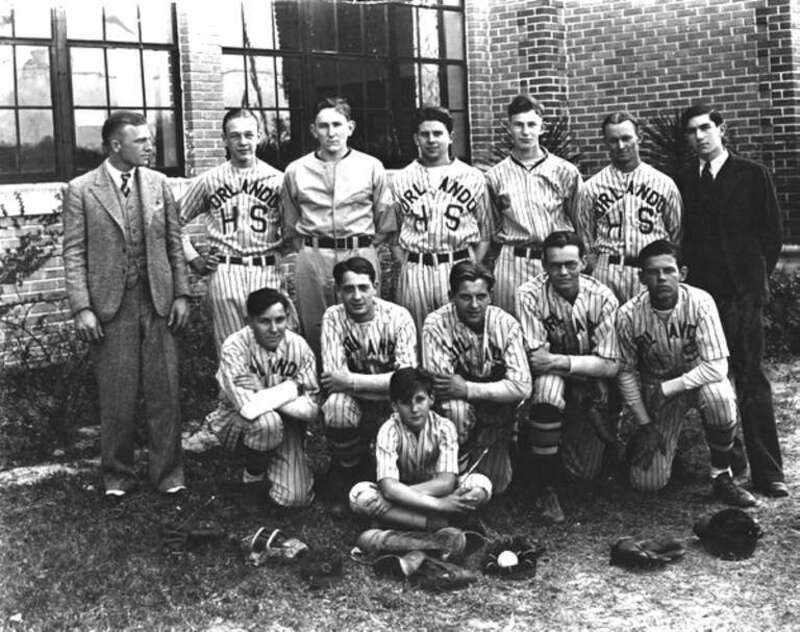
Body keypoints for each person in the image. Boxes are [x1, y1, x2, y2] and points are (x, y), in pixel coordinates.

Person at [62, 110, 189, 498]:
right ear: (116, 145)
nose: (150, 147)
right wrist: (82, 307)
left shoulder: (158, 183)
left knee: (165, 391)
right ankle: (117, 476)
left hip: (158, 301)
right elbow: (73, 253)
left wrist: (181, 294)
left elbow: (174, 242)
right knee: (117, 394)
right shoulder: (82, 189)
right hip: (110, 306)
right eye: (141, 141)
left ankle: (168, 474)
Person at [677, 104, 787, 498]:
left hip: (743, 295)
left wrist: (752, 281)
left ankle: (768, 471)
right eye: (692, 131)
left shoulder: (753, 174)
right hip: (704, 297)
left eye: (705, 128)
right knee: (714, 378)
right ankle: (730, 460)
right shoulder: (685, 179)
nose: (699, 137)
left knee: (751, 376)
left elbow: (772, 236)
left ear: (721, 129)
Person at [616, 240, 756, 506]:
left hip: (697, 380)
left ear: (682, 273)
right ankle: (660, 448)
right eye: (653, 272)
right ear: (641, 277)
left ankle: (721, 475)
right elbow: (626, 372)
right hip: (659, 391)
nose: (661, 278)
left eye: (668, 270)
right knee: (647, 483)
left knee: (719, 396)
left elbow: (717, 366)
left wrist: (670, 387)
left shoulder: (701, 302)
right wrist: (645, 424)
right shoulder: (627, 315)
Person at [515, 231, 620, 523]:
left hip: (587, 378)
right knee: (547, 392)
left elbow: (611, 364)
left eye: (570, 264)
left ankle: (546, 446)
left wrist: (563, 363)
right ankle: (545, 486)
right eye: (555, 265)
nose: (563, 272)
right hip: (557, 375)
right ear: (544, 265)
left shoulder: (603, 297)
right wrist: (578, 371)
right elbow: (536, 360)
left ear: (584, 262)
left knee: (583, 472)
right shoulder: (528, 294)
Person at [281, 97, 395, 358]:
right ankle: (321, 381)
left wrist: (362, 247)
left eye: (337, 124)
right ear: (314, 130)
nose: (331, 132)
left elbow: (385, 220)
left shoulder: (371, 166)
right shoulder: (296, 171)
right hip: (314, 257)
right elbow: (291, 223)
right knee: (316, 328)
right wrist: (311, 251)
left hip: (358, 252)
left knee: (364, 326)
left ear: (350, 128)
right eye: (323, 126)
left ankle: (365, 380)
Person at [179, 107, 295, 353]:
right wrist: (194, 258)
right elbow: (170, 222)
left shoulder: (278, 180)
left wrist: (278, 253)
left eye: (249, 135)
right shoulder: (210, 180)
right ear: (224, 139)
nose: (243, 142)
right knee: (231, 350)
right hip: (226, 271)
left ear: (259, 136)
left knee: (274, 349)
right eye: (235, 136)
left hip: (265, 269)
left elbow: (293, 230)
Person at [422, 260, 531, 495]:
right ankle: (453, 482)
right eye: (465, 297)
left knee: (498, 485)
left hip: (495, 412)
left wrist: (468, 389)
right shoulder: (435, 324)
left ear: (491, 296)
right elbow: (442, 387)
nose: (474, 305)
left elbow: (522, 387)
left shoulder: (506, 324)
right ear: (451, 296)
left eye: (481, 296)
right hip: (461, 410)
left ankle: (502, 451)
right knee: (455, 410)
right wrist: (497, 388)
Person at [205, 288, 318, 507]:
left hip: (288, 424)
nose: (274, 329)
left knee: (295, 498)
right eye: (264, 321)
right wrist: (292, 388)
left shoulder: (299, 347)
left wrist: (262, 390)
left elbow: (311, 410)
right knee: (267, 423)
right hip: (236, 422)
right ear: (249, 321)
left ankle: (272, 464)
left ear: (288, 317)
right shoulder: (234, 346)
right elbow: (249, 408)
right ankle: (252, 478)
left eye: (280, 320)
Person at [320, 257, 417, 509]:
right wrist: (380, 383)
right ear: (338, 290)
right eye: (348, 289)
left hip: (393, 401)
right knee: (336, 406)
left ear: (375, 286)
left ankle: (397, 475)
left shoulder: (399, 316)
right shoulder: (333, 317)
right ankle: (349, 471)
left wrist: (351, 381)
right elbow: (333, 378)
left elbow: (406, 380)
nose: (357, 296)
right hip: (356, 400)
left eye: (363, 287)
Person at [349, 367, 492, 529]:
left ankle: (398, 519)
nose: (414, 409)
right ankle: (439, 523)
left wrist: (399, 496)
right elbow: (388, 487)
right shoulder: (388, 430)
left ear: (431, 399)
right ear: (394, 406)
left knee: (481, 486)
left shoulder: (445, 427)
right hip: (425, 497)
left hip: (432, 493)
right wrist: (440, 505)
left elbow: (446, 483)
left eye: (420, 400)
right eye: (405, 403)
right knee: (359, 496)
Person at [391, 105, 491, 332]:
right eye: (425, 134)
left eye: (438, 133)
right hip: (416, 268)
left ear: (450, 136)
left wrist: (472, 266)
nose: (431, 140)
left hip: (458, 263)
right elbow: (393, 233)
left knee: (460, 334)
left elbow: (486, 232)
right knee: (416, 334)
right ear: (416, 138)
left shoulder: (473, 177)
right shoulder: (400, 178)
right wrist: (405, 263)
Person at [486, 95, 583, 317]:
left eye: (531, 124)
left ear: (542, 127)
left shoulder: (565, 171)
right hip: (512, 262)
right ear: (509, 127)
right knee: (512, 324)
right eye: (518, 125)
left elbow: (581, 222)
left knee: (561, 322)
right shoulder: (495, 176)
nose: (525, 132)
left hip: (556, 260)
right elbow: (491, 226)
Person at [576, 111, 682, 303]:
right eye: (613, 140)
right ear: (606, 142)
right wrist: (594, 266)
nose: (621, 145)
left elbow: (676, 233)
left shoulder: (664, 183)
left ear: (639, 138)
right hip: (608, 269)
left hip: (650, 269)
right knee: (605, 321)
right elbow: (585, 236)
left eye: (626, 138)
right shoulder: (591, 186)